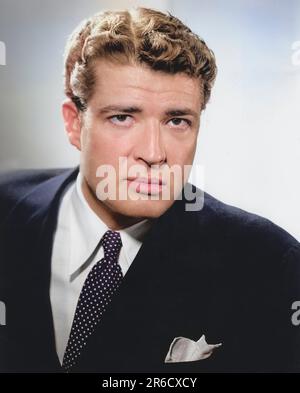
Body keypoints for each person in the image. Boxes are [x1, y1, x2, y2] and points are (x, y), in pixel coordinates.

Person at [0, 7, 299, 373]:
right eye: (123, 117)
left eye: (177, 121)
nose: (154, 154)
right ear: (74, 124)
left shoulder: (268, 265)